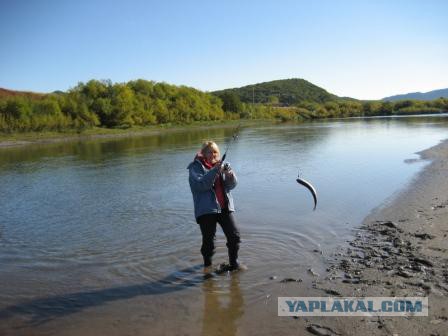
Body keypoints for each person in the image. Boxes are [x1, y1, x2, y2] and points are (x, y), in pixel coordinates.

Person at [187, 141, 244, 271]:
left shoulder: (220, 165)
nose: (213, 154)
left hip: (224, 207)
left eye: (215, 152)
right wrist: (215, 170)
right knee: (209, 243)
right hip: (206, 211)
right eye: (210, 151)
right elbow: (201, 185)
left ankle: (233, 265)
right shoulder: (195, 168)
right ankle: (207, 266)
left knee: (234, 236)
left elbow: (231, 186)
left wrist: (230, 175)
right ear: (203, 153)